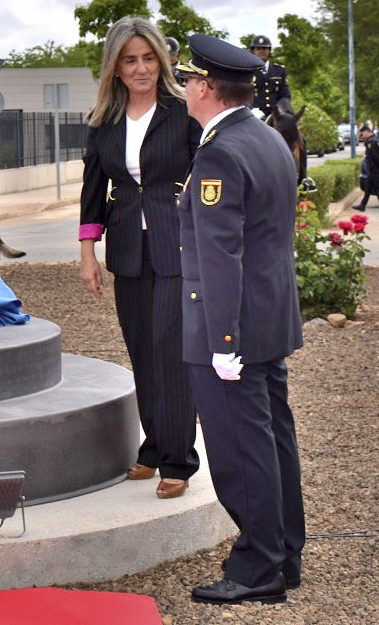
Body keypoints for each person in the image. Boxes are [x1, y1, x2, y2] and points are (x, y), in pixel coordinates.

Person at [176, 34, 304, 605]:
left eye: (186, 80)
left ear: (205, 86)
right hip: (269, 317)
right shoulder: (269, 138)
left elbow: (220, 256)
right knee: (273, 440)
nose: (183, 89)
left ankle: (257, 569)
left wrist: (222, 341)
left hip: (233, 329)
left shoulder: (221, 152)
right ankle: (284, 553)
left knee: (241, 450)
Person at [79, 16, 201, 499]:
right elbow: (93, 192)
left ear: (162, 59)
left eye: (149, 57)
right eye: (130, 60)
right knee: (142, 350)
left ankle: (179, 458)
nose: (141, 68)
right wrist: (87, 252)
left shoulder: (183, 111)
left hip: (178, 246)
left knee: (171, 350)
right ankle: (153, 447)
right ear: (116, 66)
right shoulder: (103, 121)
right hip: (128, 248)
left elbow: (206, 176)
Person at [248, 34, 290, 119]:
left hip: (276, 117)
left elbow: (285, 95)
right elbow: (241, 96)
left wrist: (282, 110)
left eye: (264, 48)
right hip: (254, 117)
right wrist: (251, 110)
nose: (261, 51)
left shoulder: (279, 70)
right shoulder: (247, 71)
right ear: (253, 51)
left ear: (269, 50)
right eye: (258, 48)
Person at [352, 126, 379, 211]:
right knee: (368, 187)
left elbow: (375, 157)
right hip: (374, 169)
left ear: (367, 131)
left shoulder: (371, 142)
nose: (362, 136)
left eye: (362, 133)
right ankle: (362, 205)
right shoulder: (375, 139)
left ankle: (362, 205)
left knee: (375, 186)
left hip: (375, 169)